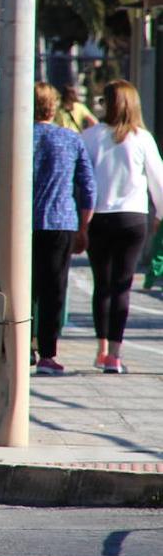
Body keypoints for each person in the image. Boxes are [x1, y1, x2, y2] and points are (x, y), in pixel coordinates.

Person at [0, 83, 95, 374]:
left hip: (20, 223)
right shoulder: (71, 139)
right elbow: (88, 186)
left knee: (22, 288)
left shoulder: (15, 139)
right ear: (53, 107)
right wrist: (84, 226)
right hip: (60, 223)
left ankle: (23, 347)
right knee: (53, 289)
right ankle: (47, 354)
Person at [81, 80, 163, 374]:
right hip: (132, 218)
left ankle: (101, 349)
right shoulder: (143, 139)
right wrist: (159, 214)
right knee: (122, 286)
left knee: (101, 284)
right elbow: (158, 181)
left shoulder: (90, 137)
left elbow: (82, 179)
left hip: (98, 217)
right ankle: (115, 355)